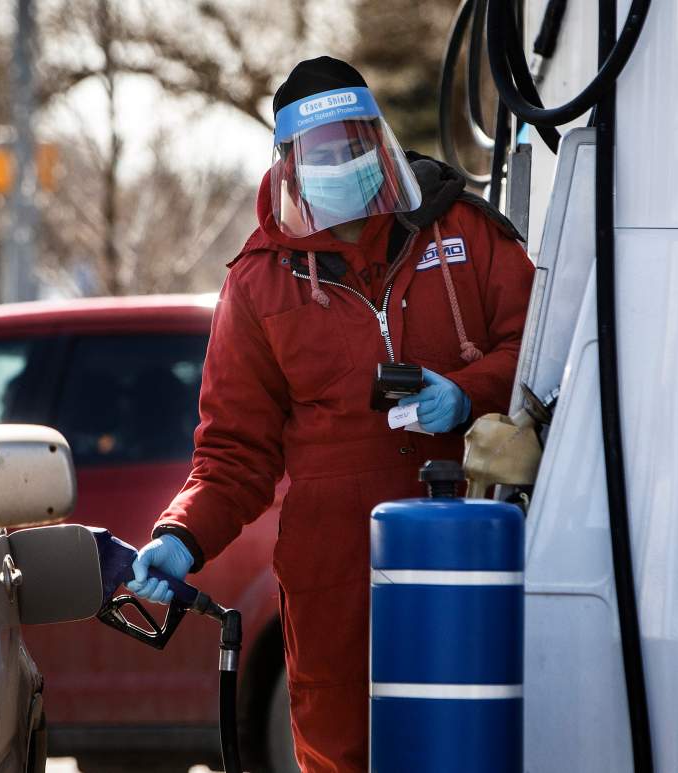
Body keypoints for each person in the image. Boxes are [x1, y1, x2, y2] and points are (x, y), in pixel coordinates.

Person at [128, 56, 534, 771]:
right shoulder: (258, 284)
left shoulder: (459, 231)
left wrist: (471, 390)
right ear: (289, 164)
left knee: (472, 741)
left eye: (354, 143)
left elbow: (542, 344)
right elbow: (233, 453)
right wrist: (181, 534)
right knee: (342, 752)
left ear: (378, 143)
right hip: (332, 570)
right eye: (323, 154)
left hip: (466, 540)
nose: (343, 163)